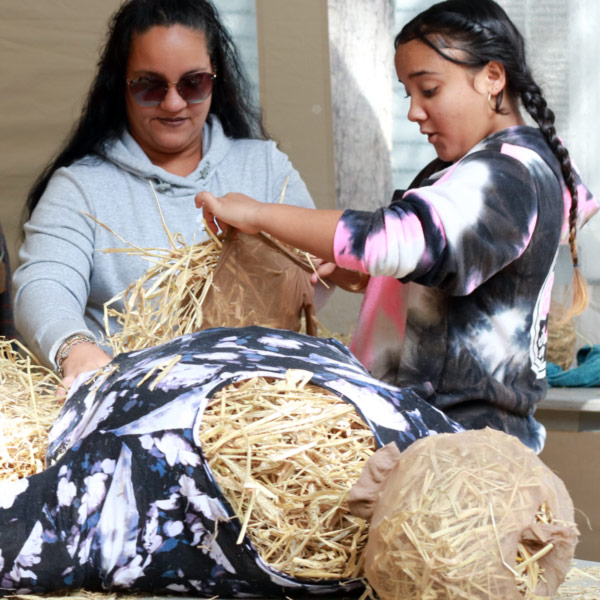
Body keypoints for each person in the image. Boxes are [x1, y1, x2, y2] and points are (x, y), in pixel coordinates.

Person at [198, 0, 599, 453]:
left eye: (428, 90)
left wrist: (258, 214)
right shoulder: (484, 168)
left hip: (456, 453)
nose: (413, 112)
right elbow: (440, 268)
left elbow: (400, 239)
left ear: (492, 77)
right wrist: (374, 276)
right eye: (408, 94)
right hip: (435, 441)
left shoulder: (509, 176)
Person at [0, 325, 464, 596]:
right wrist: (75, 346)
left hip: (225, 368)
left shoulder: (429, 442)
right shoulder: (428, 442)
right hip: (173, 379)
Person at [12, 0, 315, 390]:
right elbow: (43, 284)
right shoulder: (80, 187)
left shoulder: (265, 166)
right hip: (135, 397)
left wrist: (332, 267)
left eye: (193, 83)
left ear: (215, 78)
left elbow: (317, 270)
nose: (173, 104)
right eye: (150, 86)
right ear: (121, 83)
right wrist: (76, 348)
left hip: (261, 399)